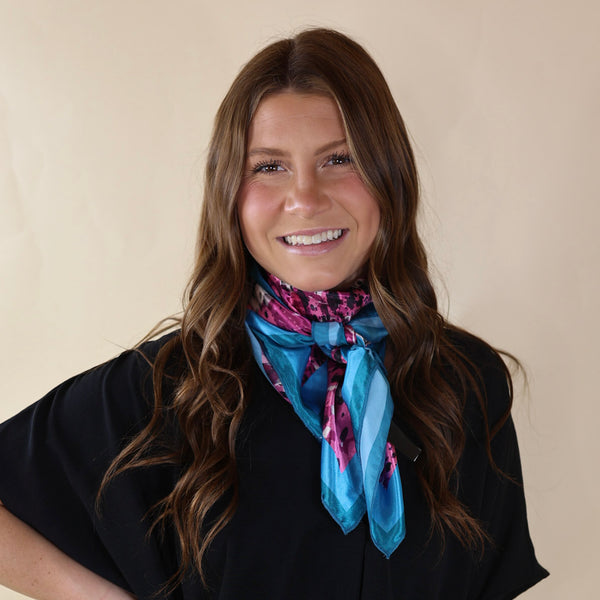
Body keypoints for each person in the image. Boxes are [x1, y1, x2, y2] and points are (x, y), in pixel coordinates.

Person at [0, 28, 548, 600]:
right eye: (268, 167)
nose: (306, 198)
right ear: (229, 195)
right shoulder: (166, 390)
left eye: (340, 159)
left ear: (390, 177)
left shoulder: (468, 383)